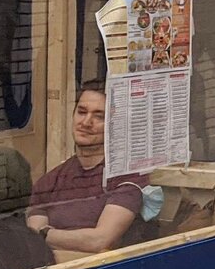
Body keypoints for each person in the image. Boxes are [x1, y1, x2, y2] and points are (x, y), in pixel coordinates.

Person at [26, 84, 147, 259]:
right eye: (82, 112)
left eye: (99, 116)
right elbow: (33, 242)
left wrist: (46, 234)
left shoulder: (127, 176)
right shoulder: (49, 181)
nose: (86, 122)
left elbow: (100, 241)